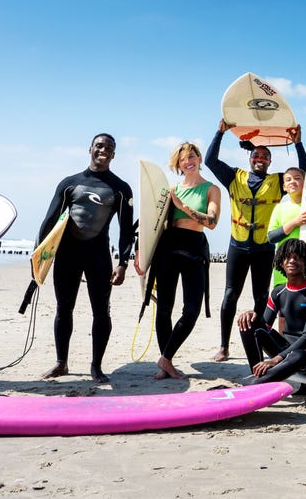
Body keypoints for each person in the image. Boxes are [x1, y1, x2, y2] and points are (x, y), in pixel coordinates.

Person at [205, 120, 306, 361]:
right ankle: (224, 346)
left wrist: (298, 143)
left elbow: (305, 172)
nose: (260, 158)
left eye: (265, 156)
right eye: (256, 155)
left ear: (270, 161)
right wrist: (220, 132)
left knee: (262, 298)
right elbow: (210, 161)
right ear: (250, 159)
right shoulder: (233, 178)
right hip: (238, 246)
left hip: (264, 249)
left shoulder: (278, 182)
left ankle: (258, 339)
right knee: (230, 295)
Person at [38, 133, 134, 384]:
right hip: (67, 254)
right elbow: (50, 219)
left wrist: (123, 263)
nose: (103, 150)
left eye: (109, 148)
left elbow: (126, 230)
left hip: (98, 255)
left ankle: (96, 366)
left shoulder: (121, 189)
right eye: (99, 145)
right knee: (63, 309)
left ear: (114, 154)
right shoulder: (70, 183)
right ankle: (61, 362)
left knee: (101, 312)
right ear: (90, 149)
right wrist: (38, 256)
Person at [144, 141, 221, 380]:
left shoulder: (211, 189)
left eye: (192, 156)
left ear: (199, 159)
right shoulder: (172, 190)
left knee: (191, 310)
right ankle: (166, 363)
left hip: (194, 249)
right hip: (168, 248)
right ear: (178, 164)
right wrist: (143, 259)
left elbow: (211, 222)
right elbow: (152, 226)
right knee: (164, 309)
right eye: (183, 159)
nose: (188, 161)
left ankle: (165, 358)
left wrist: (183, 207)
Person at [236, 238, 306, 383]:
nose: (291, 261)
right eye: (287, 257)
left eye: (297, 257)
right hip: (284, 347)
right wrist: (252, 314)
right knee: (248, 322)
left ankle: (255, 383)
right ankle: (257, 373)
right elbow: (264, 327)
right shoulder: (278, 292)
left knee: (297, 355)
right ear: (280, 262)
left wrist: (276, 359)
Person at [265, 167, 306, 286]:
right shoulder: (280, 208)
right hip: (284, 269)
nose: (292, 181)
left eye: (297, 178)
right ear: (284, 187)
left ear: (305, 182)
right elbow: (271, 237)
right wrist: (294, 222)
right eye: (288, 179)